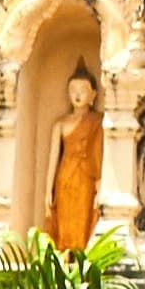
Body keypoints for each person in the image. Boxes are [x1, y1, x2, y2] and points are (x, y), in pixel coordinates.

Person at [45, 68, 101, 251]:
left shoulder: (97, 122)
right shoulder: (60, 123)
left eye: (83, 90)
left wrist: (99, 188)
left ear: (93, 94)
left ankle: (80, 260)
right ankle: (63, 259)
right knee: (64, 222)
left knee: (83, 220)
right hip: (65, 178)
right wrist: (48, 191)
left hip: (86, 177)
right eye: (73, 89)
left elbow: (98, 155)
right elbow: (53, 159)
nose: (77, 94)